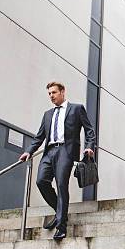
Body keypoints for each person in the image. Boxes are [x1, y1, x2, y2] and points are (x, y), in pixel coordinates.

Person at [19, 81, 96, 240]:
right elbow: (39, 137)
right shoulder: (47, 114)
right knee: (41, 181)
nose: (51, 96)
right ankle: (60, 212)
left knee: (61, 185)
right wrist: (28, 151)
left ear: (62, 92)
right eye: (49, 94)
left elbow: (89, 130)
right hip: (49, 152)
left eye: (53, 92)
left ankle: (61, 226)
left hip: (65, 151)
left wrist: (89, 146)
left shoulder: (76, 109)